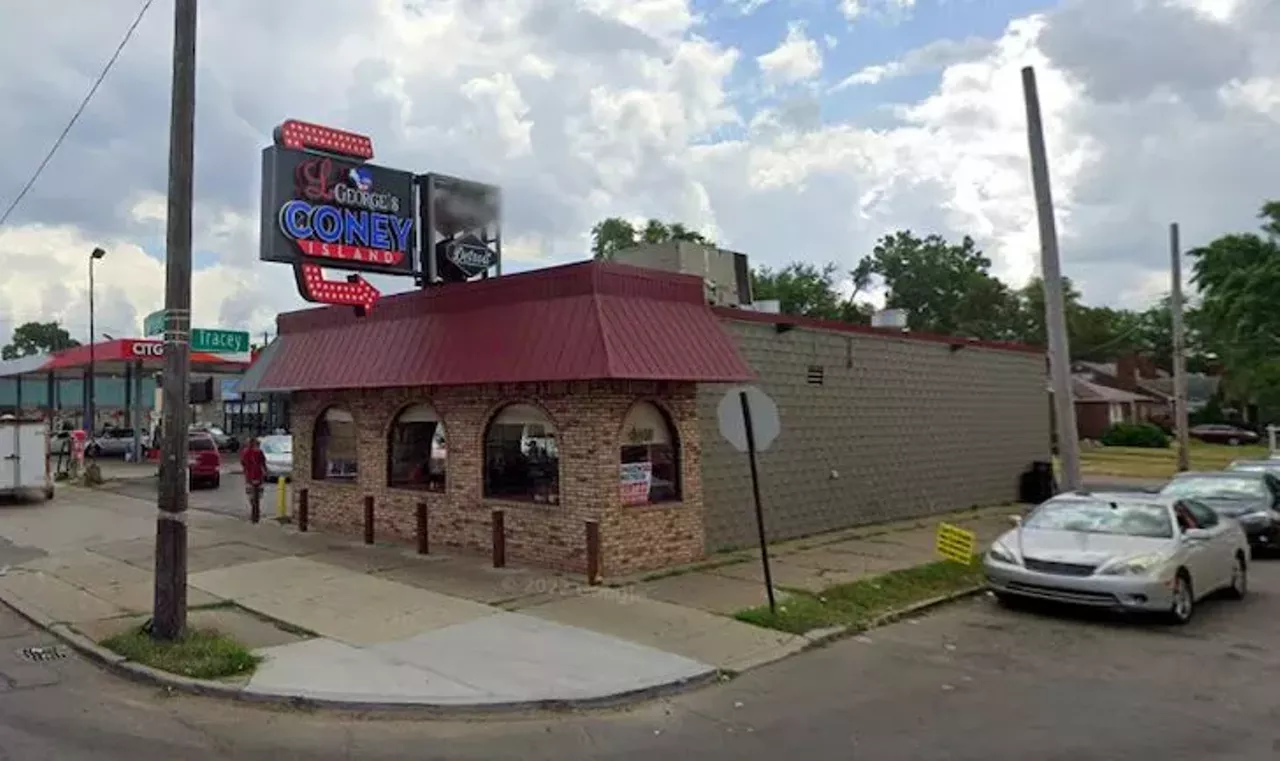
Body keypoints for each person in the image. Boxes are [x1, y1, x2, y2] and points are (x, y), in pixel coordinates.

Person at [240, 437, 267, 516]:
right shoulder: (259, 452)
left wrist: (245, 469)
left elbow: (243, 462)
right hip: (258, 475)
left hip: (249, 476)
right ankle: (256, 509)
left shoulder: (245, 452)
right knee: (258, 494)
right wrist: (265, 471)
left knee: (250, 494)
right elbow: (263, 462)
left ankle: (254, 508)